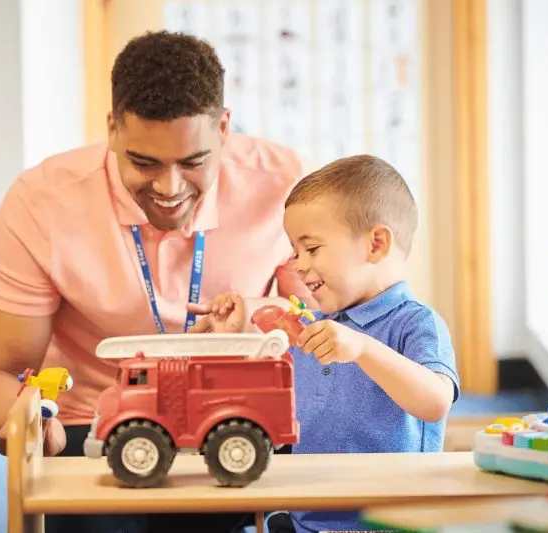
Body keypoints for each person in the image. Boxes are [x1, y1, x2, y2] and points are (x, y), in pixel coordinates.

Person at [0, 30, 313, 532]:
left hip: (228, 410)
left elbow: (321, 336)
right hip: (89, 421)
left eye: (193, 163)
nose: (170, 188)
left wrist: (257, 327)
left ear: (223, 129)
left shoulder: (288, 186)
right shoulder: (40, 203)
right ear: (112, 129)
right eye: (144, 162)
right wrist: (31, 425)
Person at [194, 154, 460, 533]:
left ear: (376, 244)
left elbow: (435, 402)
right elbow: (268, 382)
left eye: (312, 248)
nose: (299, 265)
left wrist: (363, 350)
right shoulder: (316, 324)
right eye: (295, 251)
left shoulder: (415, 322)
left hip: (387, 522)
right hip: (304, 519)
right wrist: (238, 331)